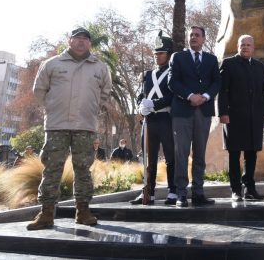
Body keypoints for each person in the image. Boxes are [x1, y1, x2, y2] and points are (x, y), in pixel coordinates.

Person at [27, 27, 112, 230]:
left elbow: (105, 93)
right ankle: (46, 214)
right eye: (77, 38)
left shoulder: (100, 67)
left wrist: (92, 109)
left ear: (90, 43)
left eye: (85, 39)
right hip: (57, 125)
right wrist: (53, 107)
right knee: (52, 168)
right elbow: (39, 90)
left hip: (85, 125)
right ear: (69, 41)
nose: (81, 41)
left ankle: (83, 212)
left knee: (83, 169)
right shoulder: (52, 64)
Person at [168, 25, 222, 207]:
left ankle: (198, 193)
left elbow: (217, 82)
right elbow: (172, 82)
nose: (193, 38)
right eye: (191, 35)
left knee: (199, 154)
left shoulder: (211, 59)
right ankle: (181, 194)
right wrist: (190, 96)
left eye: (197, 35)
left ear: (204, 39)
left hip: (204, 112)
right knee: (181, 153)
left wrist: (205, 97)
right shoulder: (178, 57)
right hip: (182, 112)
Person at [218, 34, 264, 202]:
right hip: (233, 117)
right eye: (242, 44)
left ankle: (250, 189)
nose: (245, 47)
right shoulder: (228, 64)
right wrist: (223, 113)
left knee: (252, 154)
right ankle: (235, 190)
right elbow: (223, 91)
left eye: (249, 44)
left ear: (253, 47)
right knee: (234, 155)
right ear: (237, 46)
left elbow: (263, 90)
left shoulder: (258, 66)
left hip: (254, 118)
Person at [133, 32, 178, 205]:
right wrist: (140, 105)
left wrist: (153, 104)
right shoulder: (148, 75)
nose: (157, 56)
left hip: (166, 118)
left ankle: (172, 190)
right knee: (148, 158)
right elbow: (140, 95)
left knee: (170, 157)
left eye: (161, 53)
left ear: (169, 54)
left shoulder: (172, 73)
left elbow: (171, 96)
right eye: (156, 53)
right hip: (149, 121)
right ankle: (148, 191)